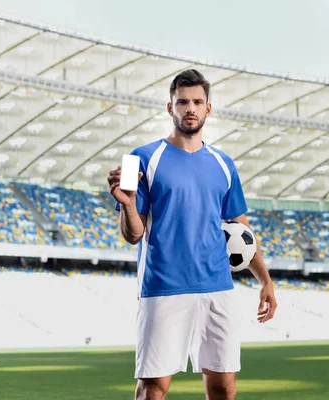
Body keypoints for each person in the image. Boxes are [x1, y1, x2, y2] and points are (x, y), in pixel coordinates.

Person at [107, 69, 277, 400]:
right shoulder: (144, 158)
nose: (190, 108)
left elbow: (242, 232)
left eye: (197, 102)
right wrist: (127, 205)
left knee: (223, 386)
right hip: (163, 287)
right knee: (153, 389)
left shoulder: (224, 163)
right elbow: (133, 235)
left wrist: (265, 280)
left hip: (218, 288)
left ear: (208, 109)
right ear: (170, 108)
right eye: (182, 102)